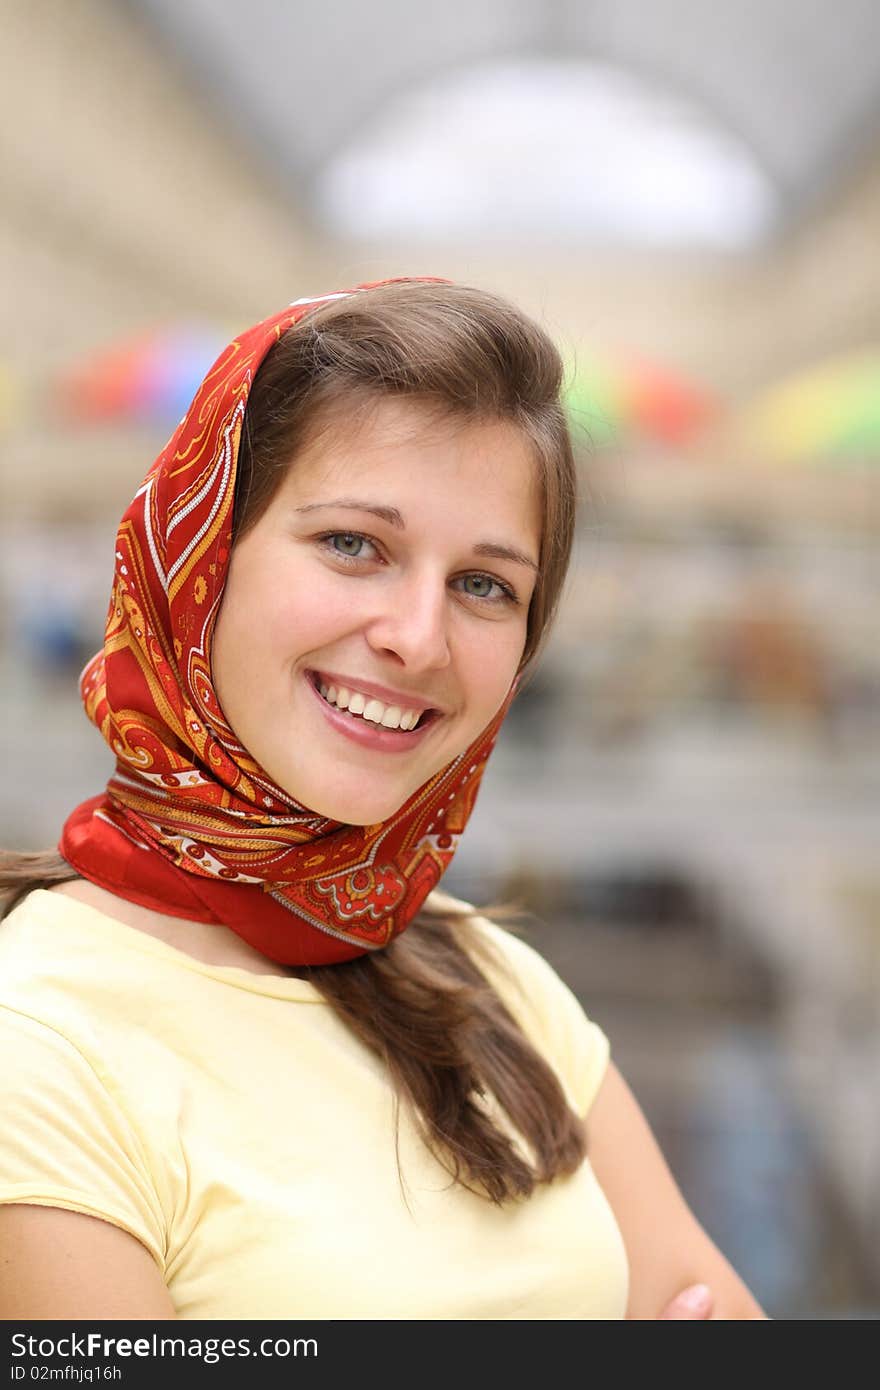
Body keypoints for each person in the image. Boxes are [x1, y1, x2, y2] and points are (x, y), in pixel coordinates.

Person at [0, 278, 766, 1321]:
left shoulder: (488, 973)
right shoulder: (37, 1036)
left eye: (485, 584)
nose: (419, 635)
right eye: (354, 544)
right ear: (200, 558)